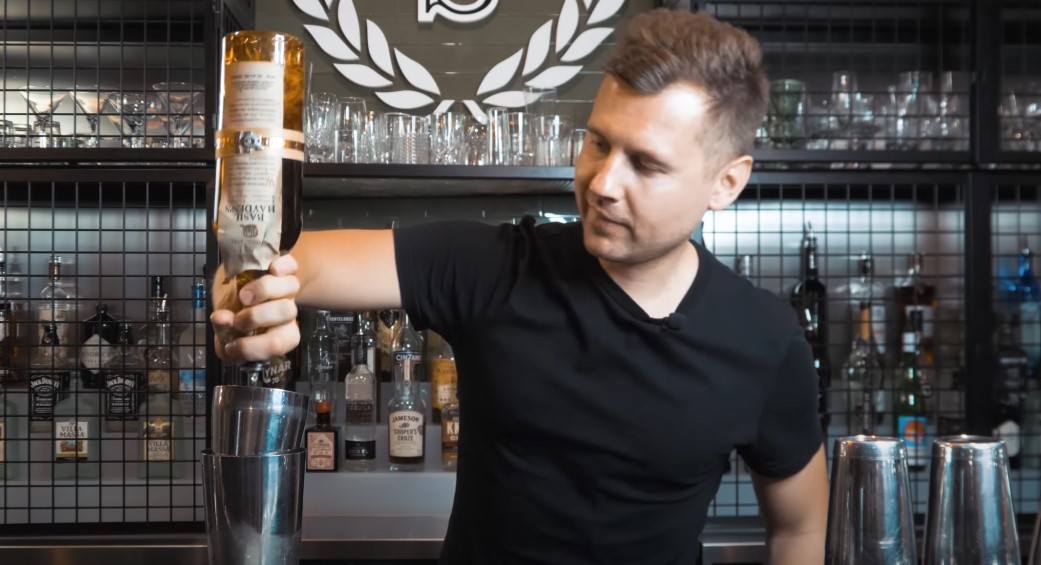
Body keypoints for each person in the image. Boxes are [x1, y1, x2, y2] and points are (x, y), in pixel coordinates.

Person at [212, 8, 828, 564]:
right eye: (598, 142)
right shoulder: (495, 266)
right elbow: (290, 261)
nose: (603, 182)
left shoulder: (764, 341)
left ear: (726, 182)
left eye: (646, 163)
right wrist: (251, 294)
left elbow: (800, 529)